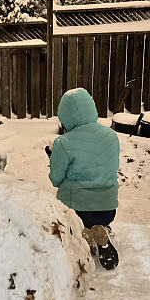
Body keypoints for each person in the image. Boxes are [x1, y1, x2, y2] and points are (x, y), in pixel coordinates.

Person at [47, 88, 120, 270]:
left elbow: (56, 179)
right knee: (99, 217)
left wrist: (53, 157)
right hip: (107, 209)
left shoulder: (64, 142)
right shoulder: (111, 137)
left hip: (76, 210)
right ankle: (101, 229)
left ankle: (82, 234)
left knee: (74, 222)